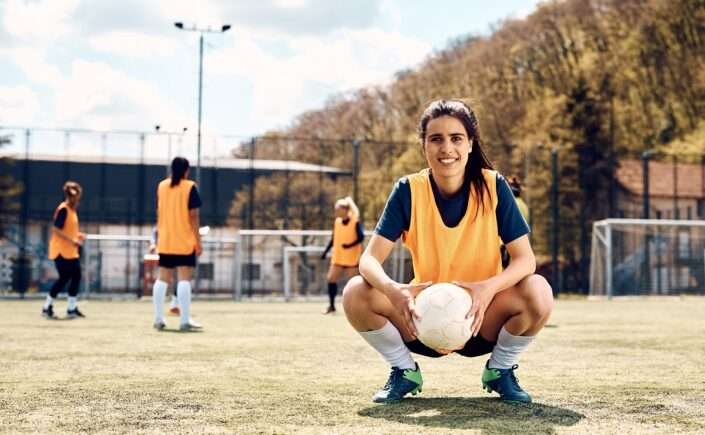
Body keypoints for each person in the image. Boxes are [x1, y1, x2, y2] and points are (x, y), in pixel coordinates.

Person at [342, 99, 553, 404]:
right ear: (423, 145)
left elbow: (526, 260)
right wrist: (394, 291)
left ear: (470, 144)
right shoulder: (408, 190)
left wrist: (486, 289)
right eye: (436, 139)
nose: (446, 148)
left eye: (456, 138)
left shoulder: (494, 186)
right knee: (355, 292)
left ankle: (500, 370)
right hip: (421, 319)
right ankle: (404, 370)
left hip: (482, 316)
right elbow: (369, 260)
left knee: (539, 290)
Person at [152, 157, 203, 331]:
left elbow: (159, 212)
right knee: (184, 278)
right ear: (186, 170)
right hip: (184, 241)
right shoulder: (190, 187)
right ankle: (184, 320)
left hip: (165, 240)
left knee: (162, 278)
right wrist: (198, 240)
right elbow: (194, 216)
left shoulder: (162, 186)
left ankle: (158, 319)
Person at [42, 181, 86, 319]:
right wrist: (72, 240)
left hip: (70, 251)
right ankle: (47, 307)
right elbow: (56, 229)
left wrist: (78, 236)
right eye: (77, 196)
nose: (78, 199)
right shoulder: (64, 209)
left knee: (74, 276)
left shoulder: (72, 211)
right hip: (61, 251)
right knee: (65, 278)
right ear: (72, 196)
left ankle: (71, 308)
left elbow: (69, 230)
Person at [320, 196, 364, 314]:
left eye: (337, 209)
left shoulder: (355, 221)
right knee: (331, 279)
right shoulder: (337, 222)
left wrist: (349, 246)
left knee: (353, 285)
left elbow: (361, 237)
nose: (336, 211)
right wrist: (325, 251)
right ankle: (332, 306)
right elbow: (334, 239)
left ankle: (356, 308)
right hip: (338, 257)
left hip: (351, 258)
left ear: (345, 209)